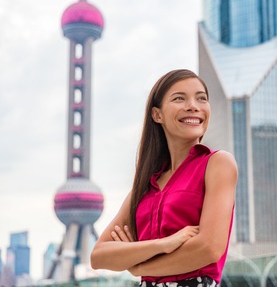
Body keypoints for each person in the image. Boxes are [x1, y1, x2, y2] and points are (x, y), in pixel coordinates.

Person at [90, 69, 237, 286]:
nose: (193, 106)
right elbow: (99, 256)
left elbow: (209, 248)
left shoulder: (217, 164)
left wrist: (138, 265)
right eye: (179, 98)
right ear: (157, 115)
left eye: (201, 98)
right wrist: (164, 244)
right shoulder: (145, 187)